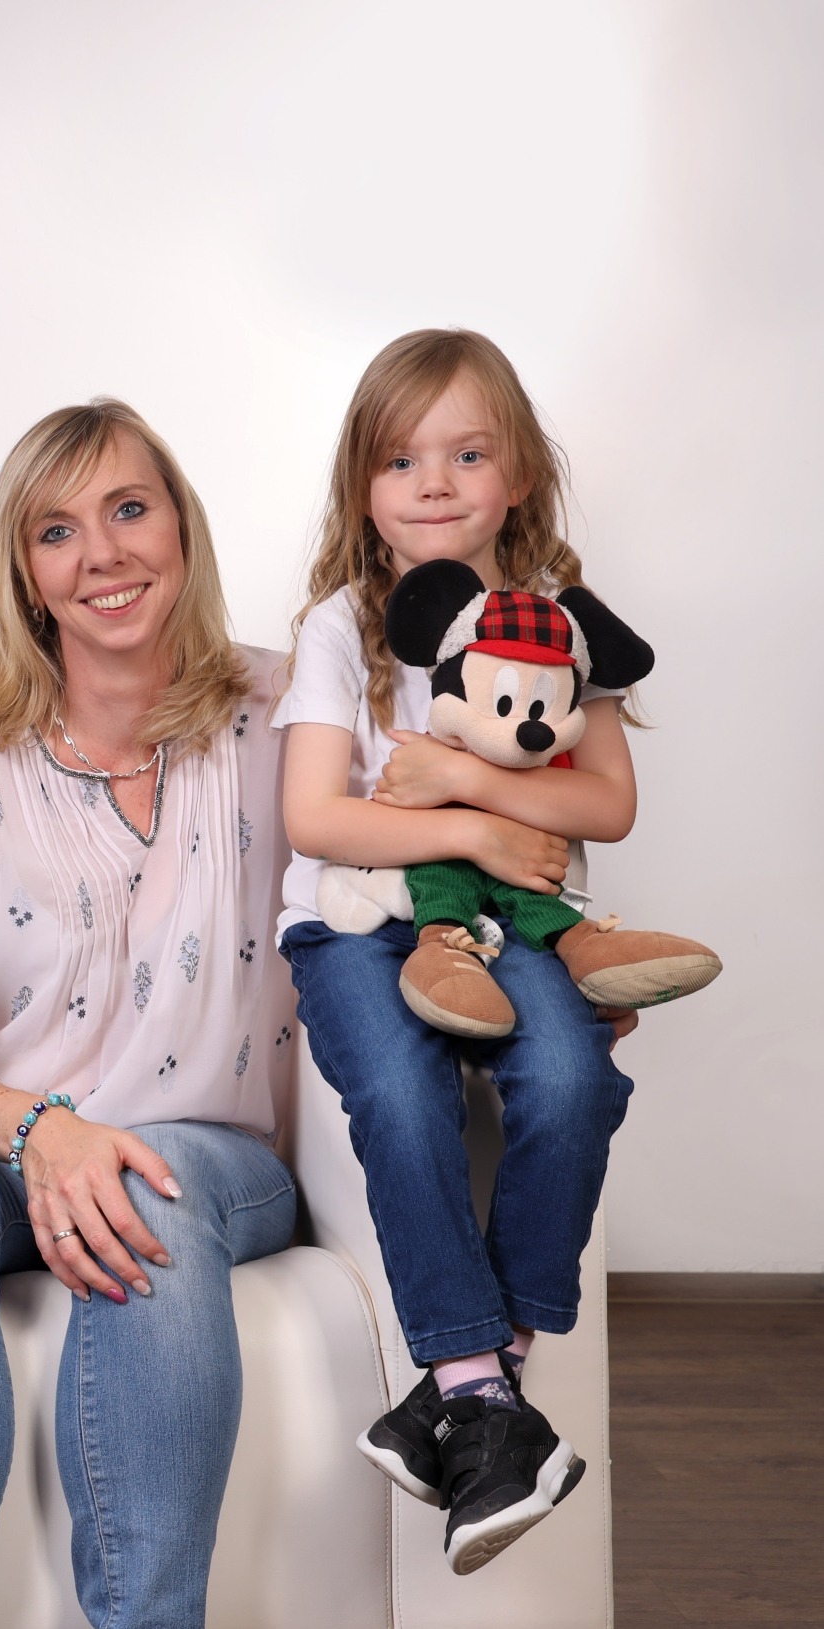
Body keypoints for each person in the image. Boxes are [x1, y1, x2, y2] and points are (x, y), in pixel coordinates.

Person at [0, 400, 299, 1629]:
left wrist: (534, 969)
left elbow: (416, 847)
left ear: (180, 526)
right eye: (55, 531)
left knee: (145, 1185)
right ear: (23, 573)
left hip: (204, 1148)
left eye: (128, 509)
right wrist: (44, 1133)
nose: (101, 554)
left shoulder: (287, 713)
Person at [276, 329, 656, 1572]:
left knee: (570, 1077)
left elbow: (606, 802)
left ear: (517, 475)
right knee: (397, 1091)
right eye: (398, 459)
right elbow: (314, 818)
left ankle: (468, 1394)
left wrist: (454, 781)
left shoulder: (557, 625)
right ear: (360, 486)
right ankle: (479, 1394)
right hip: (352, 920)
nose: (431, 482)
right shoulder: (338, 628)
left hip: (501, 925)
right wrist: (483, 829)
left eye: (465, 453)